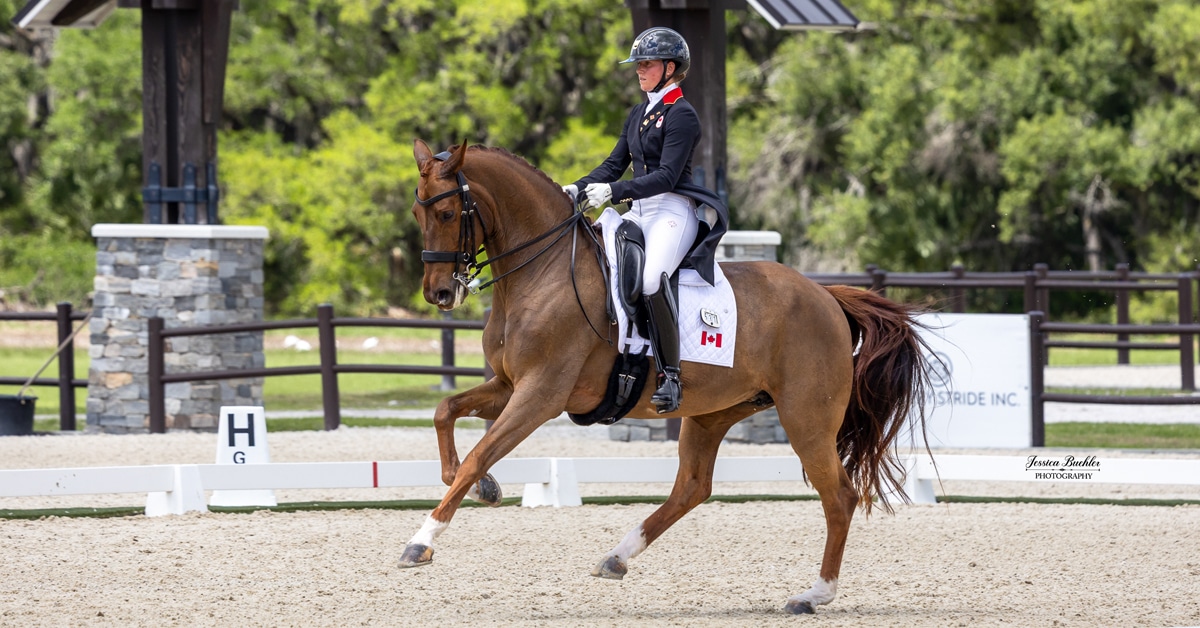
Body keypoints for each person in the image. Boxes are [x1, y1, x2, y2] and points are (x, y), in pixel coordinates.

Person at [562, 26, 729, 415]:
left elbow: (668, 177)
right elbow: (614, 163)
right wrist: (576, 187)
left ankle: (671, 376)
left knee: (653, 279)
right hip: (637, 211)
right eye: (637, 64)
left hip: (671, 210)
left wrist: (615, 192)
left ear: (670, 68)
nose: (639, 70)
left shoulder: (682, 114)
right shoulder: (639, 112)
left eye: (647, 64)